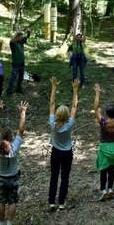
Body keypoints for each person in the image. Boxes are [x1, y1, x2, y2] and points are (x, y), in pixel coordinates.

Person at [0, 99, 28, 225]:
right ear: (11, 138)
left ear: (1, 137)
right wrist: (23, 112)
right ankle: (9, 223)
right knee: (12, 202)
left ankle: (1, 223)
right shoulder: (14, 148)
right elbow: (21, 130)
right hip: (13, 179)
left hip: (1, 178)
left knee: (0, 201)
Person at [48, 77, 80, 211]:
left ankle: (51, 202)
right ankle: (61, 202)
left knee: (54, 176)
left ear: (57, 115)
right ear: (67, 116)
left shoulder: (52, 123)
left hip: (55, 152)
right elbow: (74, 106)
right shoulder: (69, 124)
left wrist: (54, 87)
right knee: (65, 177)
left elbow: (51, 104)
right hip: (67, 153)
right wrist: (75, 90)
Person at [93, 84, 114, 201]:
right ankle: (110, 188)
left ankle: (103, 190)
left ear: (106, 114)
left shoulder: (103, 122)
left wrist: (97, 93)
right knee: (111, 170)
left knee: (103, 170)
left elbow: (96, 108)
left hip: (104, 147)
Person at [6, 28, 31, 96]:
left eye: (21, 37)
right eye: (20, 37)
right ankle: (9, 91)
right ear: (17, 37)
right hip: (16, 63)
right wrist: (17, 33)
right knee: (13, 77)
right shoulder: (13, 44)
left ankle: (19, 88)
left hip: (22, 63)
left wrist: (28, 31)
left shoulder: (21, 42)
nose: (21, 38)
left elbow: (27, 36)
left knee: (21, 77)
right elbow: (11, 40)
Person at [69, 23, 87, 89]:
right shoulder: (74, 42)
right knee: (74, 71)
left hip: (81, 58)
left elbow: (84, 34)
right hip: (75, 58)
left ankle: (83, 83)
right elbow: (73, 34)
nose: (79, 38)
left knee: (82, 71)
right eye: (78, 37)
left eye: (80, 37)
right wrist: (74, 26)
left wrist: (85, 26)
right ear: (76, 38)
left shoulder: (83, 42)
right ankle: (74, 82)